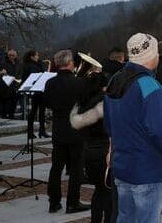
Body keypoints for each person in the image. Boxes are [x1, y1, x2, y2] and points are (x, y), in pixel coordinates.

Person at [104, 33, 162, 223]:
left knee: (125, 217)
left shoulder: (115, 80)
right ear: (151, 55)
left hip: (122, 165)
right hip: (147, 168)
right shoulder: (148, 85)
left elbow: (109, 123)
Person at [44, 49, 89, 214]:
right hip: (76, 128)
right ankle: (73, 202)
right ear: (70, 64)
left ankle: (53, 202)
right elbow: (85, 103)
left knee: (56, 166)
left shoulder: (49, 83)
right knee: (77, 167)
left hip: (58, 128)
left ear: (56, 64)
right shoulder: (79, 83)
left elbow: (47, 103)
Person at [70, 63, 112, 223]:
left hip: (88, 151)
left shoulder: (84, 103)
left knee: (99, 192)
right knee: (108, 193)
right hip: (104, 152)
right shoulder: (104, 103)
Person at [22, 50, 49, 138]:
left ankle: (40, 131)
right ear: (32, 57)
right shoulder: (31, 66)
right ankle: (36, 131)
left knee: (39, 111)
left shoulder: (33, 65)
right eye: (37, 56)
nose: (38, 57)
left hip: (37, 91)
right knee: (35, 111)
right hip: (37, 90)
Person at [0, 49, 19, 119]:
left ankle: (11, 117)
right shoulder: (3, 63)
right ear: (8, 55)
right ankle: (4, 117)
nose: (11, 57)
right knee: (6, 105)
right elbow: (1, 73)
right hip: (7, 87)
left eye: (13, 55)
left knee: (14, 105)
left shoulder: (18, 63)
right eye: (10, 55)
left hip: (15, 86)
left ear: (16, 56)